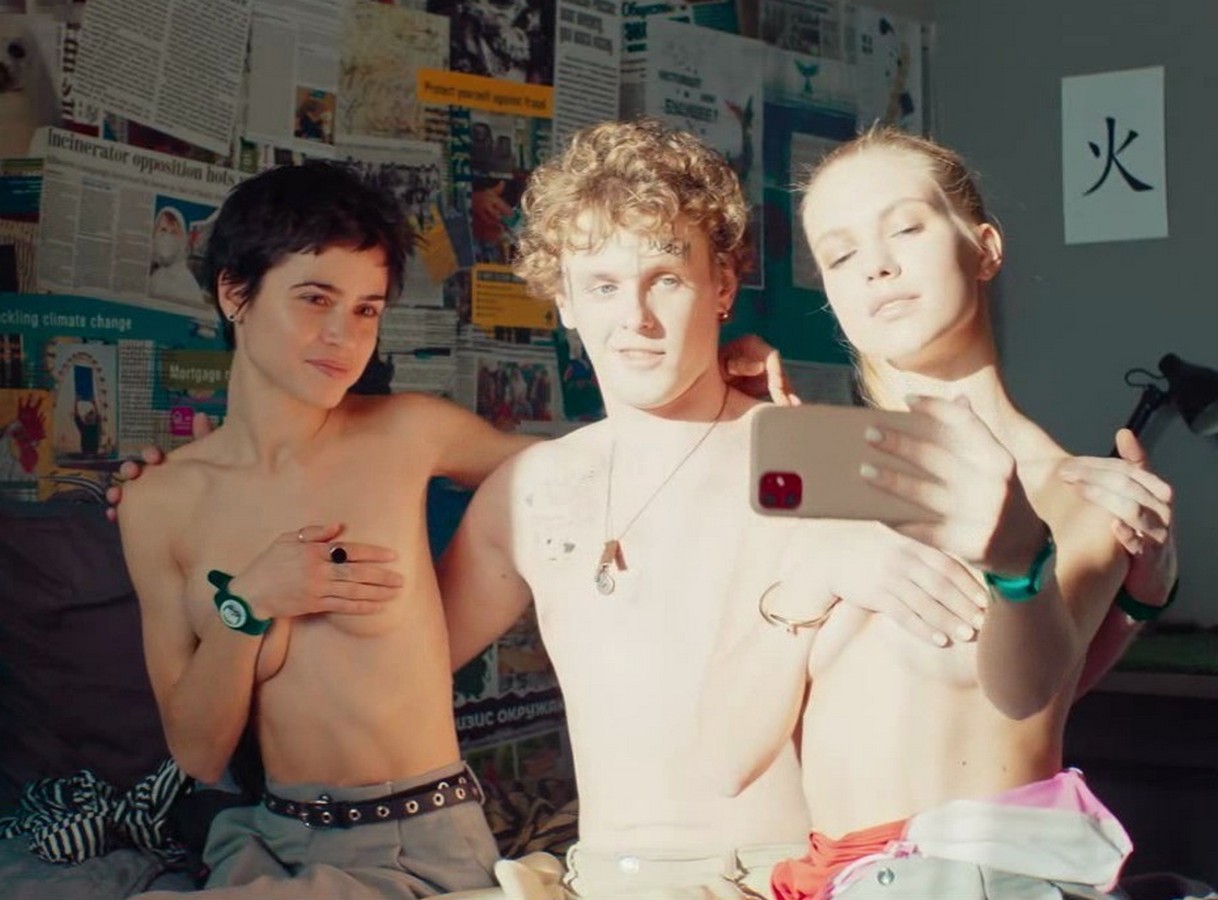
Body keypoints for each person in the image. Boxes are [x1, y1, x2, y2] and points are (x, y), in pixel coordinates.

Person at [437, 118, 1007, 900]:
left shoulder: (813, 455)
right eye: (602, 286)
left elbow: (982, 687)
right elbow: (398, 673)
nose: (635, 318)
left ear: (722, 289)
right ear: (564, 300)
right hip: (591, 878)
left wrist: (1131, 594)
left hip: (773, 878)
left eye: (666, 279)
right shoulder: (529, 490)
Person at [698, 127, 1180, 900]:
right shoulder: (806, 485)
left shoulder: (1082, 494)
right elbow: (724, 762)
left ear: (985, 248)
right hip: (833, 878)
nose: (876, 265)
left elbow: (1027, 695)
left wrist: (1020, 563)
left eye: (906, 228)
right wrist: (817, 570)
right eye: (841, 255)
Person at [118, 161, 534, 898]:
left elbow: (594, 471)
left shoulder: (409, 433)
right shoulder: (158, 501)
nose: (344, 336)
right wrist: (250, 604)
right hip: (266, 840)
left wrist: (724, 392)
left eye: (366, 309)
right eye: (316, 299)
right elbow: (199, 756)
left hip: (416, 844)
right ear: (234, 293)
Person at [149, 206, 205, 306]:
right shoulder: (156, 276)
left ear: (183, 239)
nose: (167, 236)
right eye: (163, 230)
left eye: (174, 232)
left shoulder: (188, 285)